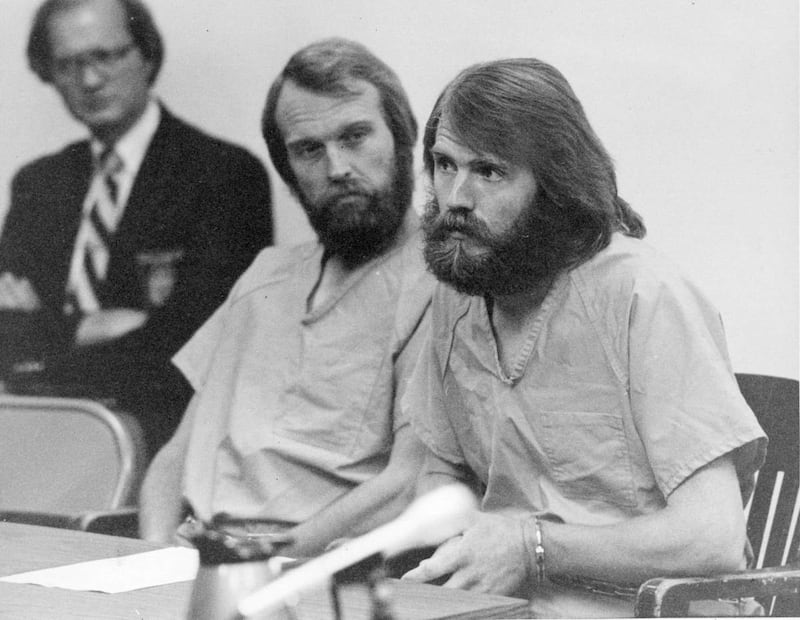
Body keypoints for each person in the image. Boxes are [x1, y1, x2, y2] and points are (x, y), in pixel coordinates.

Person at [400, 58, 767, 617]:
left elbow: (712, 538)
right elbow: (439, 469)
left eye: (490, 172)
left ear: (554, 184)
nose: (455, 198)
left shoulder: (644, 294)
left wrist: (532, 547)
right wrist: (464, 536)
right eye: (444, 165)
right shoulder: (461, 291)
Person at [138, 38, 435, 558]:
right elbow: (173, 461)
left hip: (318, 573)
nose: (337, 167)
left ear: (403, 137)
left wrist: (256, 560)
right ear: (288, 169)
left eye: (356, 136)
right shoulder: (266, 275)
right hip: (191, 568)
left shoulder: (442, 283)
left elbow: (408, 483)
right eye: (309, 149)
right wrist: (151, 561)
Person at [0, 0, 273, 454]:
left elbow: (192, 346)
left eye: (105, 56)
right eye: (67, 65)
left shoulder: (223, 174)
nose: (88, 80)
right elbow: (3, 338)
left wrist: (45, 340)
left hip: (160, 444)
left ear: (146, 55)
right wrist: (93, 328)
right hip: (33, 439)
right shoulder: (39, 184)